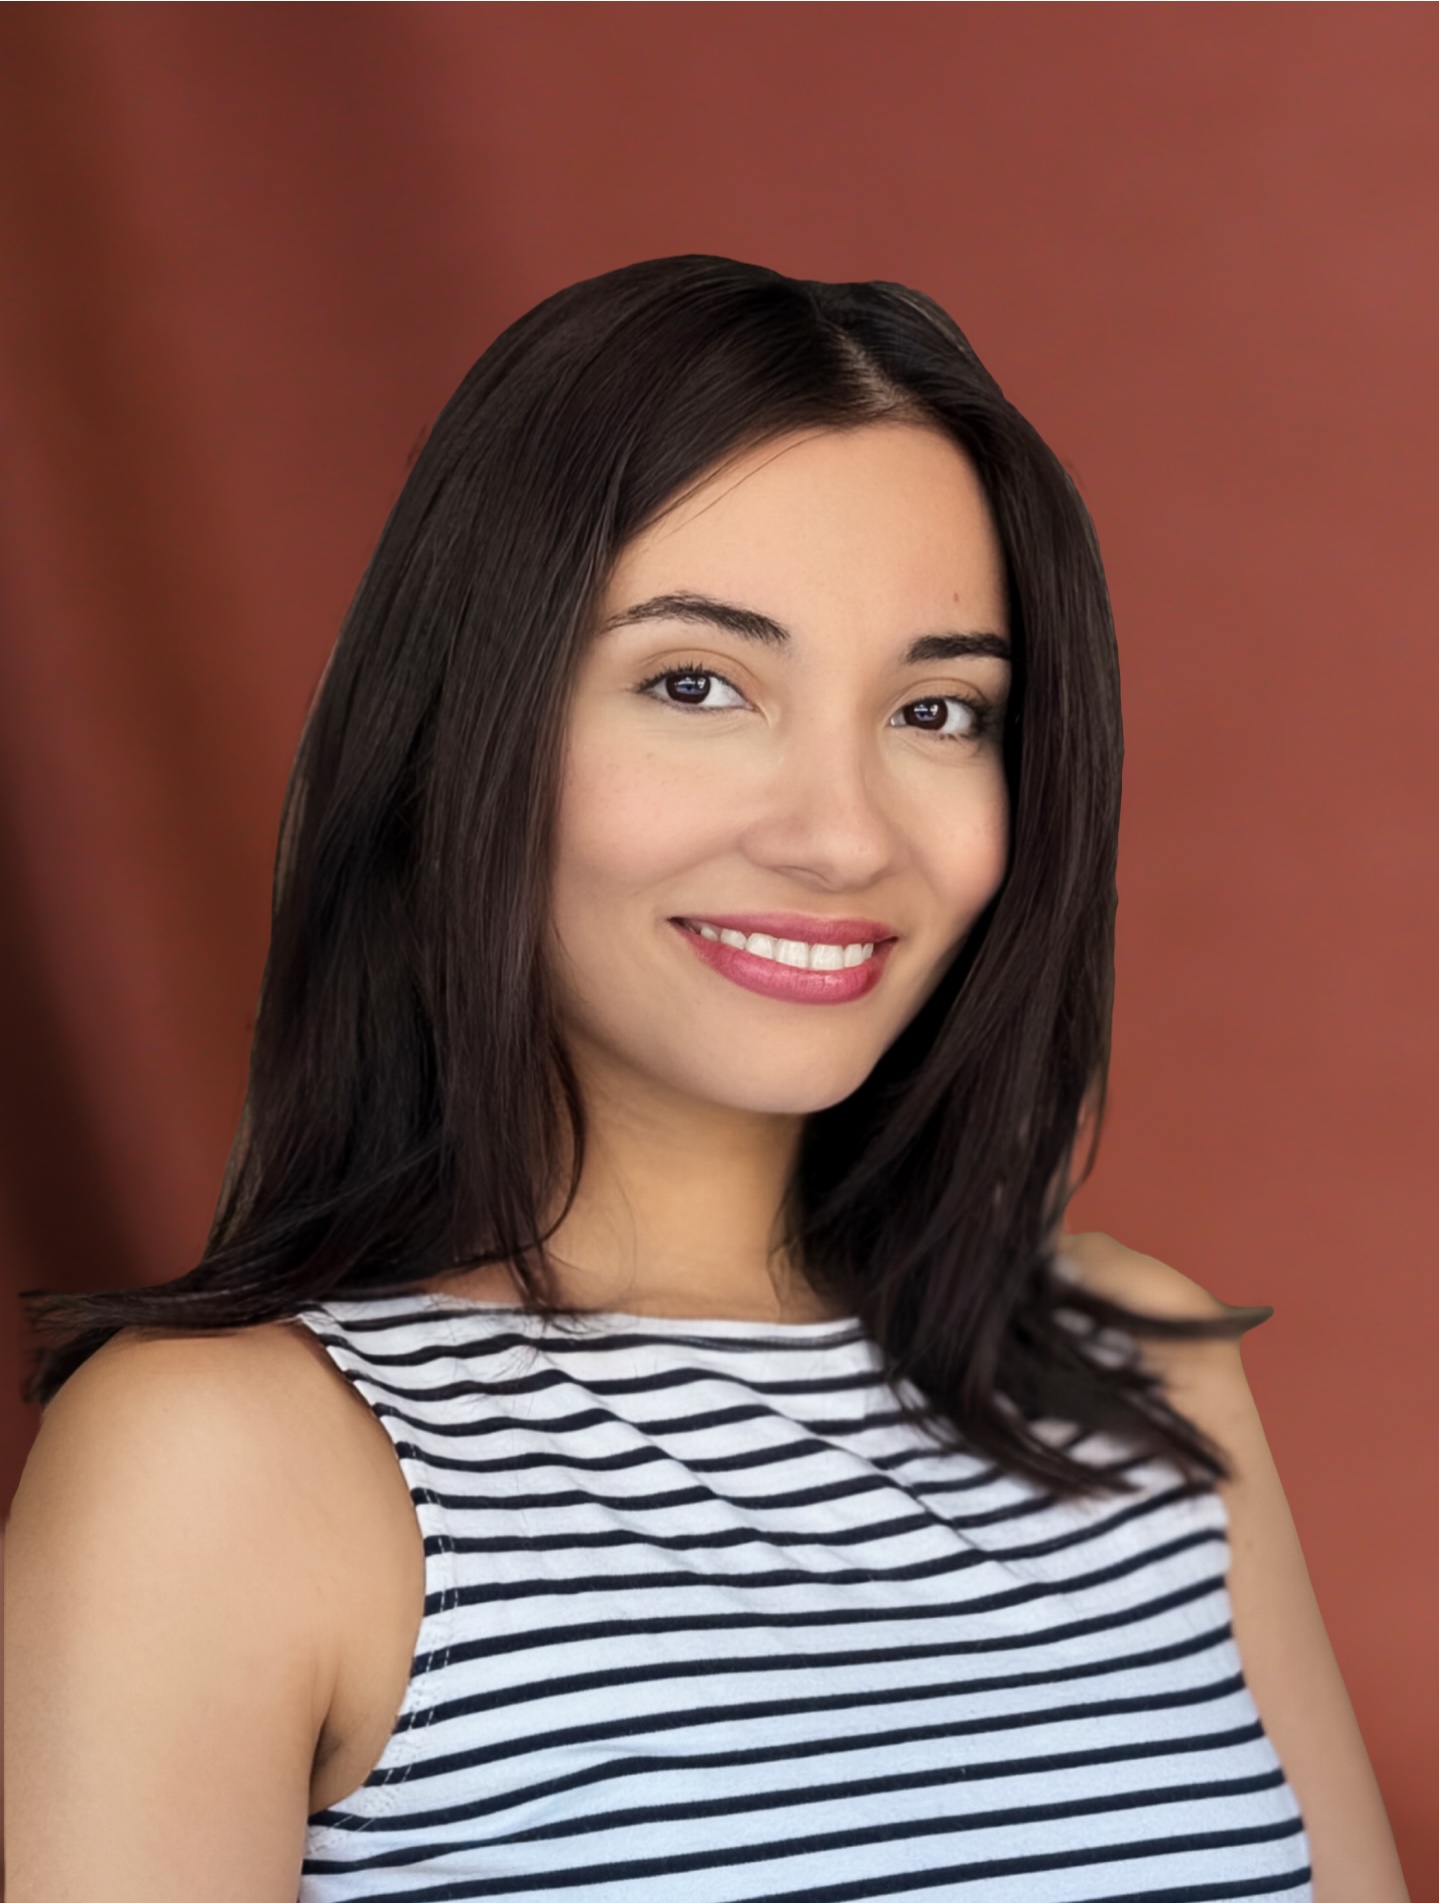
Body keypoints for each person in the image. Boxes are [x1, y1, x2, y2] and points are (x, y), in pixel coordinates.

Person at [6, 257, 1407, 1902]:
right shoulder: (228, 1465)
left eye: (938, 710)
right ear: (468, 733)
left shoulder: (1135, 1372)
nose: (841, 834)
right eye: (698, 685)